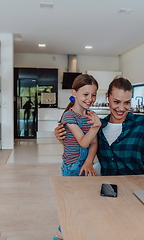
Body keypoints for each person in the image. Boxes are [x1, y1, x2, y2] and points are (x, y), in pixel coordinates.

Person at [54, 76, 144, 176]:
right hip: (109, 190)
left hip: (138, 186)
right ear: (108, 97)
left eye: (127, 102)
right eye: (116, 101)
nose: (121, 108)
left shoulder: (142, 123)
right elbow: (82, 145)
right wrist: (63, 138)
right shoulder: (98, 126)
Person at [54, 74, 101, 240]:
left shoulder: (89, 115)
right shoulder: (69, 116)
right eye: (86, 94)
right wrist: (96, 126)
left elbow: (94, 143)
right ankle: (61, 234)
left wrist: (89, 163)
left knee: (82, 203)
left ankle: (75, 233)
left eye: (93, 94)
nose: (90, 99)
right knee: (72, 205)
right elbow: (83, 142)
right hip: (72, 167)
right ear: (74, 93)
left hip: (84, 166)